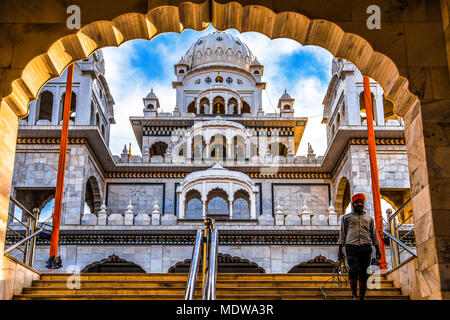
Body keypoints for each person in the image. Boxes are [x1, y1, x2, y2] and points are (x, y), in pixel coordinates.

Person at [337, 193, 381, 300]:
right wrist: (340, 250)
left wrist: (378, 249)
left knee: (364, 272)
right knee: (353, 270)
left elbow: (374, 234)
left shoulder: (369, 218)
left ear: (364, 203)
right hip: (351, 246)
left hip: (366, 247)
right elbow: (343, 233)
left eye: (361, 202)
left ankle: (361, 296)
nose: (359, 204)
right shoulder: (346, 218)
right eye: (357, 202)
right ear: (353, 204)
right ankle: (354, 295)